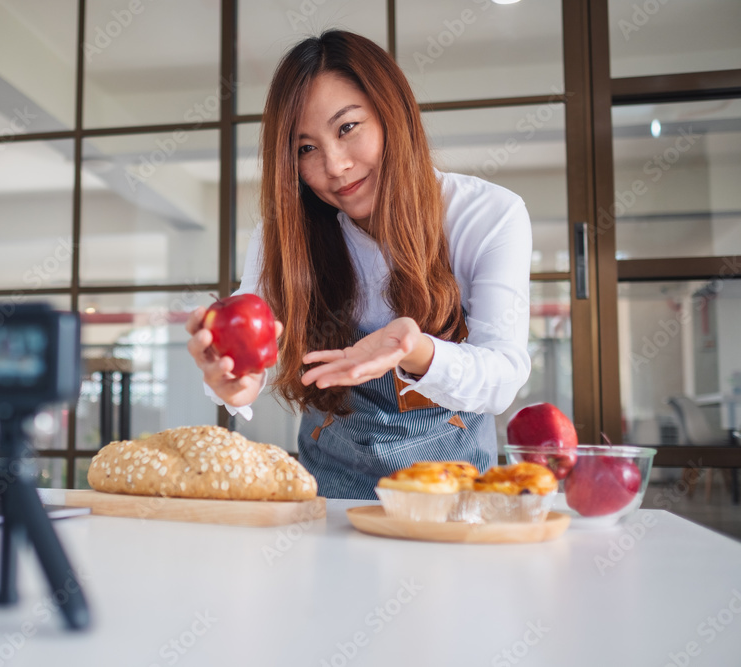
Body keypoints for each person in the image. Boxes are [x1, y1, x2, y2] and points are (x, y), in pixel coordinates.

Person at [185, 30, 532, 499]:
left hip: (454, 504)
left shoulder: (487, 216)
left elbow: (503, 377)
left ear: (394, 114)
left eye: (347, 128)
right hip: (329, 503)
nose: (336, 166)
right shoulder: (282, 238)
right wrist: (235, 384)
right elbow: (253, 359)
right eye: (306, 148)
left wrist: (417, 350)